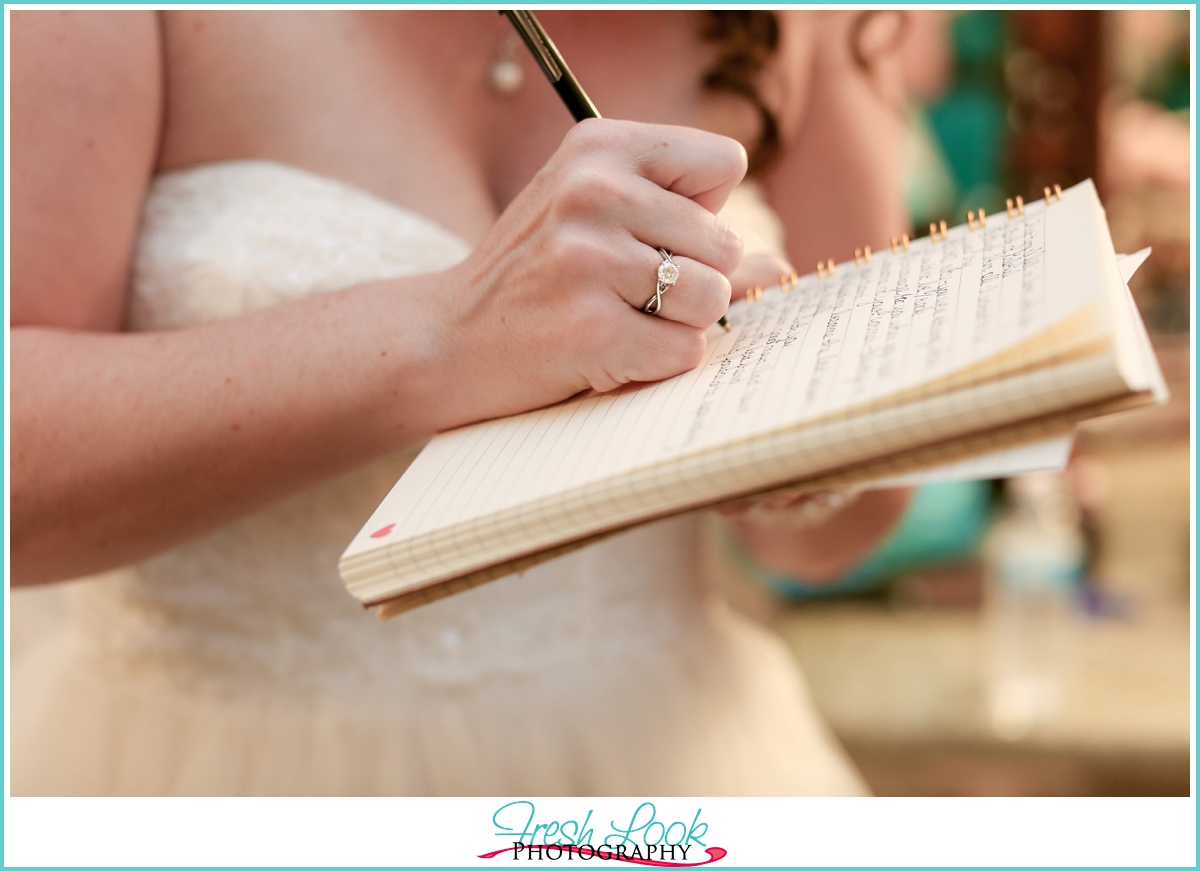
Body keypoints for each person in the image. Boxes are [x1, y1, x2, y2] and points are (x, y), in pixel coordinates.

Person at [11, 10, 913, 795]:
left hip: (671, 767)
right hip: (216, 768)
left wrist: (772, 430)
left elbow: (844, 532)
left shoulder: (801, 21)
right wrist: (448, 337)